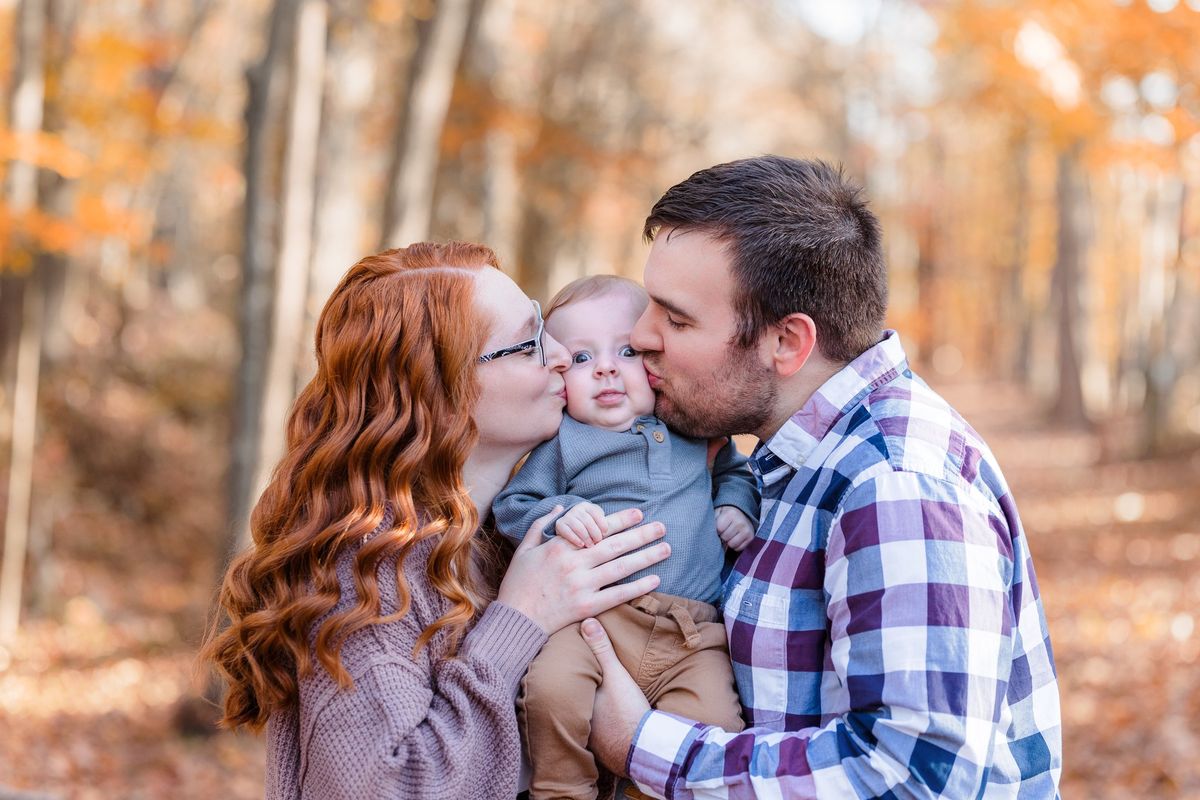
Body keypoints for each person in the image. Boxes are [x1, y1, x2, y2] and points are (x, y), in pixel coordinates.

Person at [582, 156, 1063, 799]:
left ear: (787, 342)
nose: (640, 336)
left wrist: (646, 747)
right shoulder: (787, 460)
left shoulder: (896, 484)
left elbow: (916, 778)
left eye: (676, 319)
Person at [200, 242, 673, 800]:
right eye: (527, 344)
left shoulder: (507, 534)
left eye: (544, 325)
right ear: (441, 393)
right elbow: (391, 787)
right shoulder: (366, 577)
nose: (562, 355)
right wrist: (520, 620)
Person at [492, 275, 759, 800]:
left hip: (692, 634)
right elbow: (513, 505)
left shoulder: (692, 426)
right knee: (549, 691)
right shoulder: (566, 442)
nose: (607, 368)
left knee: (714, 724)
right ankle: (563, 788)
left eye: (625, 352)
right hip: (593, 623)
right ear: (559, 378)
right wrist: (561, 512)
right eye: (583, 359)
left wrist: (735, 504)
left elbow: (738, 473)